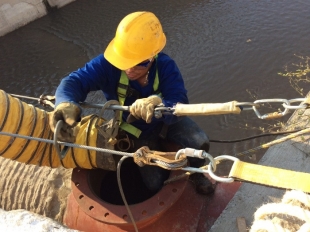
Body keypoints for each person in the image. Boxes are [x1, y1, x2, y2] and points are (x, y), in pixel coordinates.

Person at [49, 11, 214, 195]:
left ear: (152, 57)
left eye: (138, 64)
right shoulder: (108, 65)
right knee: (154, 183)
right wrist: (65, 104)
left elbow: (180, 101)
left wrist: (157, 102)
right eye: (125, 61)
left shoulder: (166, 66)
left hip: (167, 121)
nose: (129, 69)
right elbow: (73, 82)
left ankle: (196, 173)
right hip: (136, 130)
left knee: (200, 140)